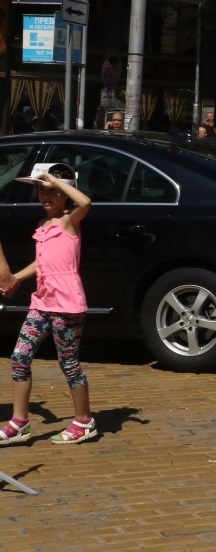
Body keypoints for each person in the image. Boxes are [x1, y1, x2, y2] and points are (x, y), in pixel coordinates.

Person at [0, 164, 96, 445]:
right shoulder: (43, 226)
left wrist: (56, 180)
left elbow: (86, 201)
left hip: (66, 304)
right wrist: (14, 278)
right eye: (41, 191)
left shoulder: (70, 220)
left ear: (65, 193)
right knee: (19, 357)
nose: (46, 196)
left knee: (68, 363)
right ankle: (19, 422)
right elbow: (43, 262)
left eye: (52, 191)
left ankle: (84, 421)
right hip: (41, 302)